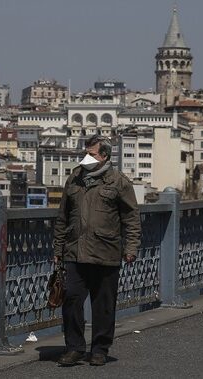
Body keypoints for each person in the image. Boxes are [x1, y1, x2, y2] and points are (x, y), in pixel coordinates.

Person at [53, 134, 141, 366]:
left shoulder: (118, 181)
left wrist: (131, 247)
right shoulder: (75, 179)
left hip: (106, 251)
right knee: (71, 299)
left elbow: (131, 217)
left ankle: (100, 349)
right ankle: (74, 348)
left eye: (91, 154)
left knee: (103, 305)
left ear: (104, 156)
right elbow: (62, 217)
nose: (87, 158)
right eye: (86, 153)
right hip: (75, 251)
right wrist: (58, 248)